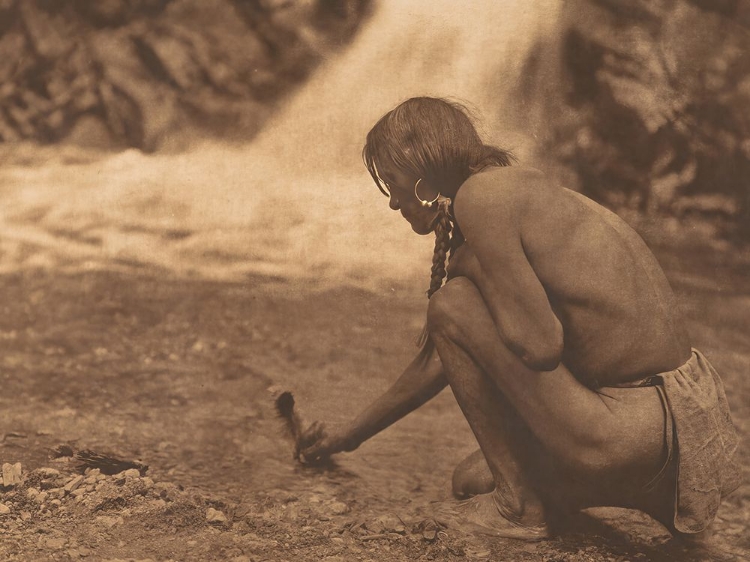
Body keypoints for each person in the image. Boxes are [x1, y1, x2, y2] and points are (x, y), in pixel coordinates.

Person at [299, 97, 741, 542]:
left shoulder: (482, 198)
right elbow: (440, 361)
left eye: (391, 183)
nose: (393, 202)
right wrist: (346, 437)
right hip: (679, 442)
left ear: (421, 175)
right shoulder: (517, 191)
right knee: (470, 479)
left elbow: (539, 344)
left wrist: (468, 267)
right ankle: (635, 494)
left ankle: (518, 509)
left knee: (451, 304)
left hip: (630, 430)